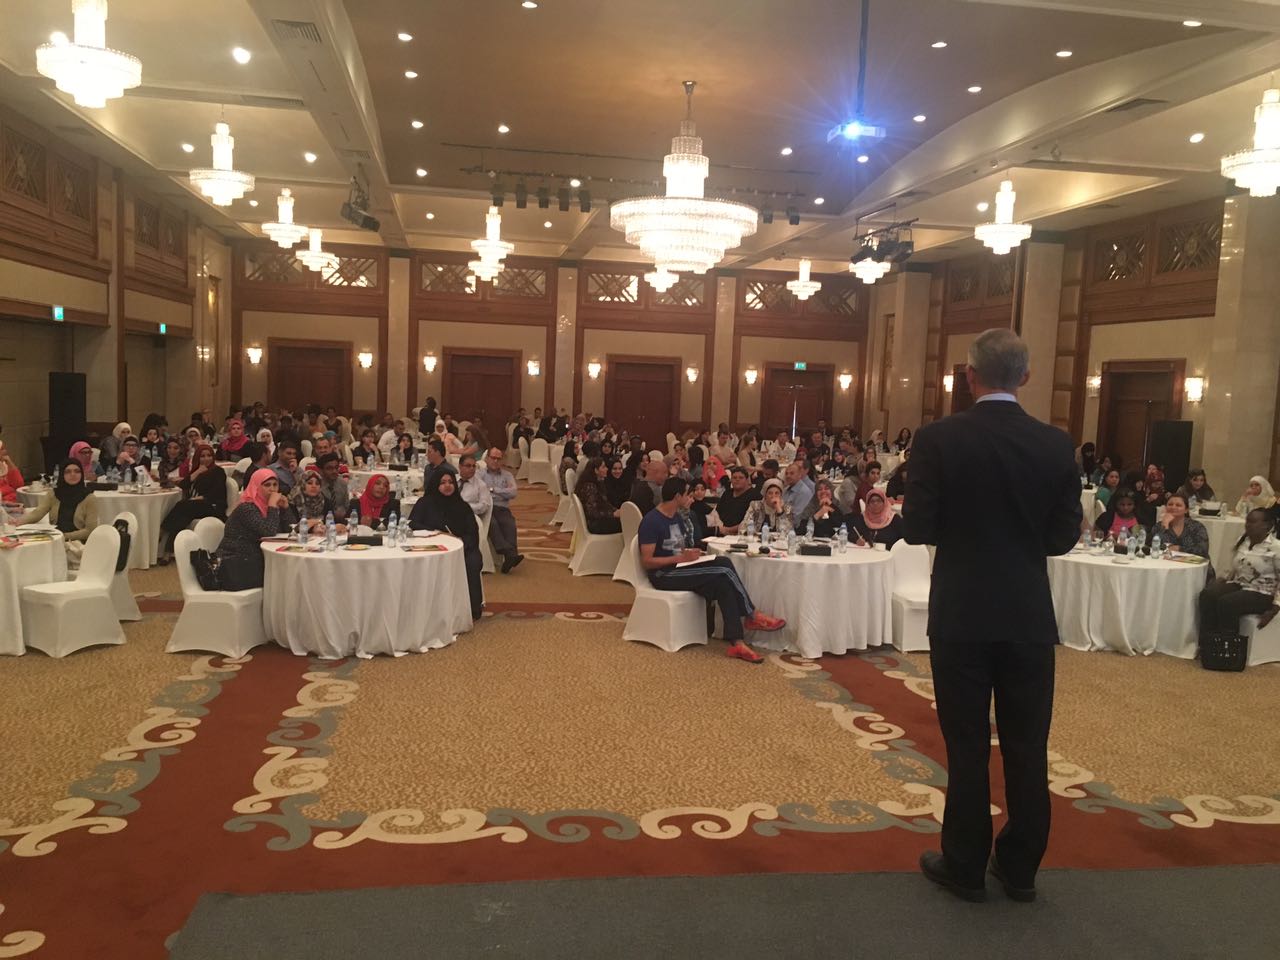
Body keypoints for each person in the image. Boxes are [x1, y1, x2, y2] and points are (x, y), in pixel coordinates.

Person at [903, 327, 1081, 904]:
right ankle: (1021, 866)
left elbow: (918, 527)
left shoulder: (938, 439)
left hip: (962, 612)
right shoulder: (1055, 445)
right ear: (1025, 376)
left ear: (969, 376)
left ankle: (965, 864)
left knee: (967, 744)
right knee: (1028, 744)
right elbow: (1062, 537)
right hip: (1026, 614)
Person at [638, 477, 784, 663]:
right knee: (723, 566)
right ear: (677, 496)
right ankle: (752, 614)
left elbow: (678, 549)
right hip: (664, 574)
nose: (690, 497)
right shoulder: (651, 521)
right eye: (687, 494)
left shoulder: (676, 517)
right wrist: (680, 558)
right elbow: (647, 561)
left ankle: (737, 643)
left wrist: (691, 554)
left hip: (679, 566)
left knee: (723, 582)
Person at [1197, 509, 1278, 652]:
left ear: (1267, 525)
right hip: (1241, 584)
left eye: (1253, 522)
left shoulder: (1276, 548)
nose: (1248, 525)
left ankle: (1228, 647)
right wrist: (1223, 579)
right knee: (1208, 594)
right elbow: (1236, 567)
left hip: (1263, 593)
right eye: (1247, 521)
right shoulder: (1243, 541)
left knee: (1227, 602)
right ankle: (1208, 642)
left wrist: (1274, 610)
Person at [410, 469, 484, 620]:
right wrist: (436, 531)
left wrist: (461, 542)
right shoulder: (425, 503)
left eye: (450, 482)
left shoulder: (462, 506)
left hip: (462, 548)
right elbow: (413, 523)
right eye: (443, 483)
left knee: (473, 562)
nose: (447, 486)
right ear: (435, 485)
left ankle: (472, 608)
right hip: (431, 548)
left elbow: (472, 533)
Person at [217, 469, 289, 591]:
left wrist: (285, 509)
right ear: (256, 487)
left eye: (275, 485)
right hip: (236, 562)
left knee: (288, 571)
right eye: (267, 485)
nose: (272, 489)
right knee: (284, 574)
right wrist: (272, 506)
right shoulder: (246, 508)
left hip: (255, 558)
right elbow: (268, 532)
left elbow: (289, 530)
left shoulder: (269, 507)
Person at [158, 444, 228, 564]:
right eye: (202, 456)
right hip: (196, 506)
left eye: (209, 456)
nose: (206, 459)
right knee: (182, 517)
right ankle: (168, 552)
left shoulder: (218, 471)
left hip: (213, 506)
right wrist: (197, 472)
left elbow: (217, 492)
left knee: (183, 505)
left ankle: (162, 530)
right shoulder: (197, 470)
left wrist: (201, 498)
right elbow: (183, 485)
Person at [19, 460, 97, 567]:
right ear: (61, 474)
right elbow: (37, 513)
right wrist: (18, 522)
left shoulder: (89, 498)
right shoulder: (54, 494)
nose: (73, 474)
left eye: (77, 471)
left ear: (82, 474)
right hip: (56, 540)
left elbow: (90, 530)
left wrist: (65, 536)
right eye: (68, 472)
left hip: (77, 545)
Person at [481, 447, 522, 573]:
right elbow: (480, 492)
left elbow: (513, 493)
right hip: (486, 507)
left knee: (509, 524)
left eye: (498, 459)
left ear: (502, 461)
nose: (495, 461)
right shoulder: (479, 474)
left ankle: (509, 557)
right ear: (487, 459)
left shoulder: (507, 475)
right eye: (493, 458)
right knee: (492, 524)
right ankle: (510, 553)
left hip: (502, 508)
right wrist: (503, 492)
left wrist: (493, 490)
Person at [1153, 493, 1210, 563]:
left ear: (1186, 510)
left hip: (1194, 565)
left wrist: (1179, 549)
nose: (1173, 507)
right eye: (1170, 504)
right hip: (1167, 564)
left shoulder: (1197, 527)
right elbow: (1152, 547)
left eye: (1178, 505)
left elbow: (1203, 550)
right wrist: (1164, 526)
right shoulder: (1159, 526)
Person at [575, 457, 622, 534]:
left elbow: (605, 504)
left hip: (599, 520)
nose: (607, 469)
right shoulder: (589, 486)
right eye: (603, 467)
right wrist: (612, 514)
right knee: (626, 523)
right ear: (596, 470)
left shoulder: (598, 483)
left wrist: (616, 510)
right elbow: (592, 512)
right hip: (594, 524)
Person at [716, 466, 762, 534]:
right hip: (721, 531)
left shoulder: (755, 495)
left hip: (743, 533)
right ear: (731, 480)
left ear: (747, 480)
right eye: (734, 478)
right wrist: (720, 528)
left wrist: (728, 530)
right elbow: (717, 513)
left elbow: (753, 521)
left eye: (741, 477)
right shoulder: (727, 493)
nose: (737, 480)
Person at [315, 453, 349, 521]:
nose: (334, 471)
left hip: (340, 521)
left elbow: (346, 506)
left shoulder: (342, 483)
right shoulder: (316, 485)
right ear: (321, 470)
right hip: (320, 520)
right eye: (329, 468)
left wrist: (343, 512)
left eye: (336, 467)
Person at [457, 454, 492, 519]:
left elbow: (484, 506)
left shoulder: (481, 485)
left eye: (473, 466)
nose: (472, 468)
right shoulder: (452, 480)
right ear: (460, 466)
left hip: (468, 517)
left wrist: (465, 507)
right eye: (468, 466)